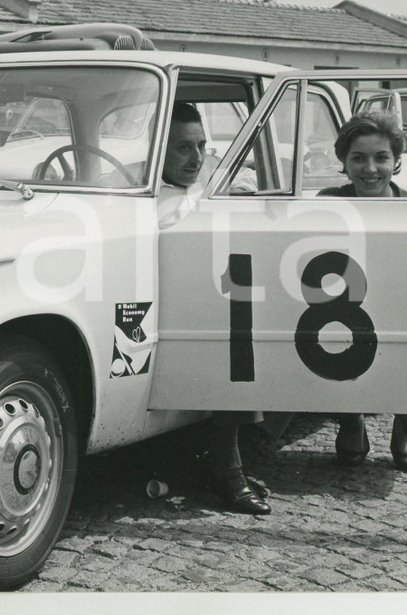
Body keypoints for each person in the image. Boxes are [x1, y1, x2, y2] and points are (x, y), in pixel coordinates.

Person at [160, 101, 271, 514]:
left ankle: (241, 454)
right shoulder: (150, 196)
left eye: (201, 146)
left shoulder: (204, 185)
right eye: (183, 148)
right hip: (174, 304)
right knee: (236, 336)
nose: (195, 157)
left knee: (253, 321)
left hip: (217, 293)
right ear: (158, 151)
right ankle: (228, 466)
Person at [318, 113, 407, 472]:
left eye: (381, 157)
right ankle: (351, 422)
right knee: (336, 342)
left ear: (396, 162)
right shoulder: (327, 200)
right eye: (358, 158)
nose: (370, 169)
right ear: (344, 163)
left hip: (402, 298)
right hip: (347, 299)